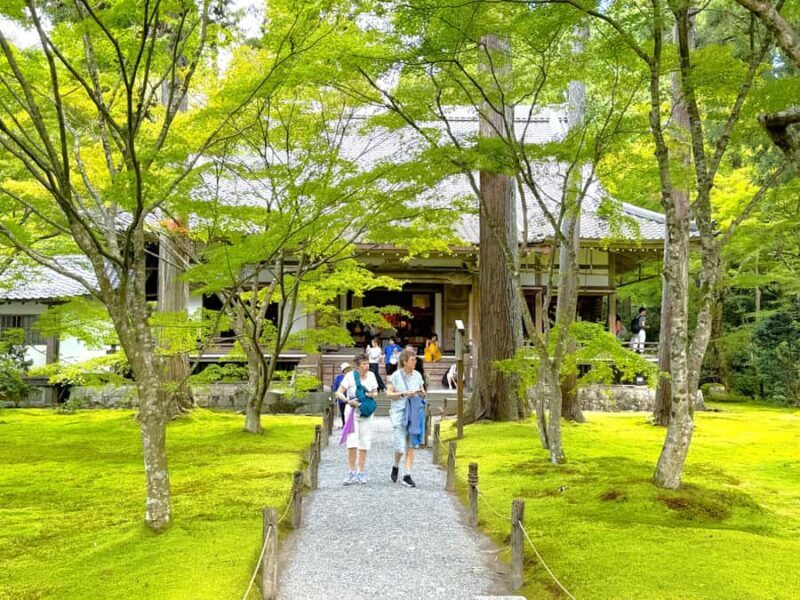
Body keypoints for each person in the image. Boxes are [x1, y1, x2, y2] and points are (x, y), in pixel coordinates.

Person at [336, 354, 379, 485]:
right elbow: (338, 392)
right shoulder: (350, 376)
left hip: (366, 411)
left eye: (367, 363)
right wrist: (347, 400)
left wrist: (370, 394)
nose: (367, 366)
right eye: (364, 364)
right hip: (352, 411)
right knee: (352, 442)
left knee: (365, 441)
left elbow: (375, 392)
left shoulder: (371, 375)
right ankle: (351, 472)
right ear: (358, 366)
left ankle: (361, 471)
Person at [386, 349, 427, 488]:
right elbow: (388, 394)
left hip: (414, 412)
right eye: (412, 360)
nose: (415, 362)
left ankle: (407, 474)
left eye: (415, 359)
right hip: (399, 412)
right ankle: (396, 465)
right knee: (400, 446)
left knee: (411, 444)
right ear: (405, 361)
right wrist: (404, 394)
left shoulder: (417, 375)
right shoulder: (396, 375)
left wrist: (421, 393)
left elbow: (423, 391)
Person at [332, 362, 352, 427]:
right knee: (343, 412)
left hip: (351, 398)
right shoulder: (339, 377)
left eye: (348, 368)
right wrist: (336, 393)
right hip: (342, 399)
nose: (348, 370)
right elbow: (335, 387)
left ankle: (350, 424)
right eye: (346, 369)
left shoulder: (352, 376)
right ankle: (344, 424)